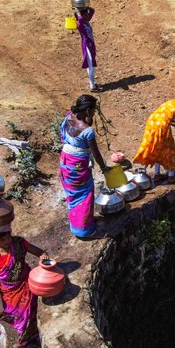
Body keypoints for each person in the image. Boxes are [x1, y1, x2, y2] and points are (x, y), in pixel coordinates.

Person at [59, 94, 111, 239]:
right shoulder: (87, 131)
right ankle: (83, 230)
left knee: (72, 194)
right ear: (88, 110)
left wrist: (88, 119)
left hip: (65, 162)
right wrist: (104, 168)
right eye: (93, 110)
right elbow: (96, 153)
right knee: (84, 194)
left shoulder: (69, 117)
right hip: (78, 166)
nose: (94, 113)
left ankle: (75, 222)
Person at [132, 89, 175, 180]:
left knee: (159, 148)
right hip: (161, 126)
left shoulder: (171, 103)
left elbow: (171, 122)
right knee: (170, 149)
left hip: (152, 123)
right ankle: (171, 177)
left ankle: (157, 175)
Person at [75, 7, 102, 93]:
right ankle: (92, 86)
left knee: (90, 65)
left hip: (91, 45)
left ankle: (93, 83)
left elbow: (93, 11)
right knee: (91, 66)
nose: (87, 15)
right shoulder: (80, 24)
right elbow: (80, 19)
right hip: (87, 45)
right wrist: (78, 12)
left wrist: (86, 6)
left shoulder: (85, 22)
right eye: (85, 14)